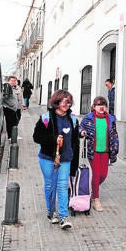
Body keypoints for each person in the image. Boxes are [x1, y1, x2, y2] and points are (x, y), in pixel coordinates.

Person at [33, 89, 80, 230]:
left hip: (65, 158)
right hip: (48, 158)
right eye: (64, 101)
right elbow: (37, 137)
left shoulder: (73, 119)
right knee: (50, 185)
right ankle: (51, 212)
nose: (67, 103)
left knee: (62, 186)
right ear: (57, 101)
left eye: (69, 101)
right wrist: (54, 139)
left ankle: (63, 216)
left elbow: (74, 141)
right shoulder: (46, 118)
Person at [79, 96, 119, 212]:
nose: (101, 107)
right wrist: (82, 132)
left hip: (106, 151)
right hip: (93, 151)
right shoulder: (88, 118)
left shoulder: (111, 119)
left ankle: (92, 190)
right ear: (93, 106)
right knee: (96, 174)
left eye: (103, 105)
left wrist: (115, 150)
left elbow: (115, 135)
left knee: (103, 175)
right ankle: (96, 199)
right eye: (98, 105)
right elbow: (80, 127)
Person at [2, 76, 20, 141]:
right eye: (12, 80)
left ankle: (13, 136)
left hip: (12, 108)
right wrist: (11, 105)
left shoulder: (10, 87)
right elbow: (4, 97)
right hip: (9, 108)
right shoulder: (7, 86)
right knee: (11, 123)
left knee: (15, 121)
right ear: (8, 81)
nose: (13, 82)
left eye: (14, 81)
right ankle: (10, 137)